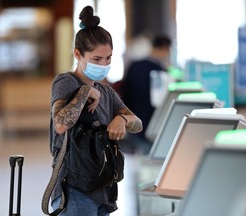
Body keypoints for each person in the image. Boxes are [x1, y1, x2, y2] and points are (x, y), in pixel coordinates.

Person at [49, 5, 143, 216]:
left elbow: (137, 123)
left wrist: (121, 119)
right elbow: (61, 124)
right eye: (96, 59)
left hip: (103, 187)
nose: (104, 64)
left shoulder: (106, 91)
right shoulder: (65, 82)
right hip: (73, 188)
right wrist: (84, 92)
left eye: (108, 58)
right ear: (78, 54)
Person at [122, 34, 172, 154]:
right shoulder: (160, 71)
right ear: (165, 48)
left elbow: (125, 93)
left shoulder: (134, 65)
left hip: (133, 120)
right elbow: (161, 101)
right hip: (152, 122)